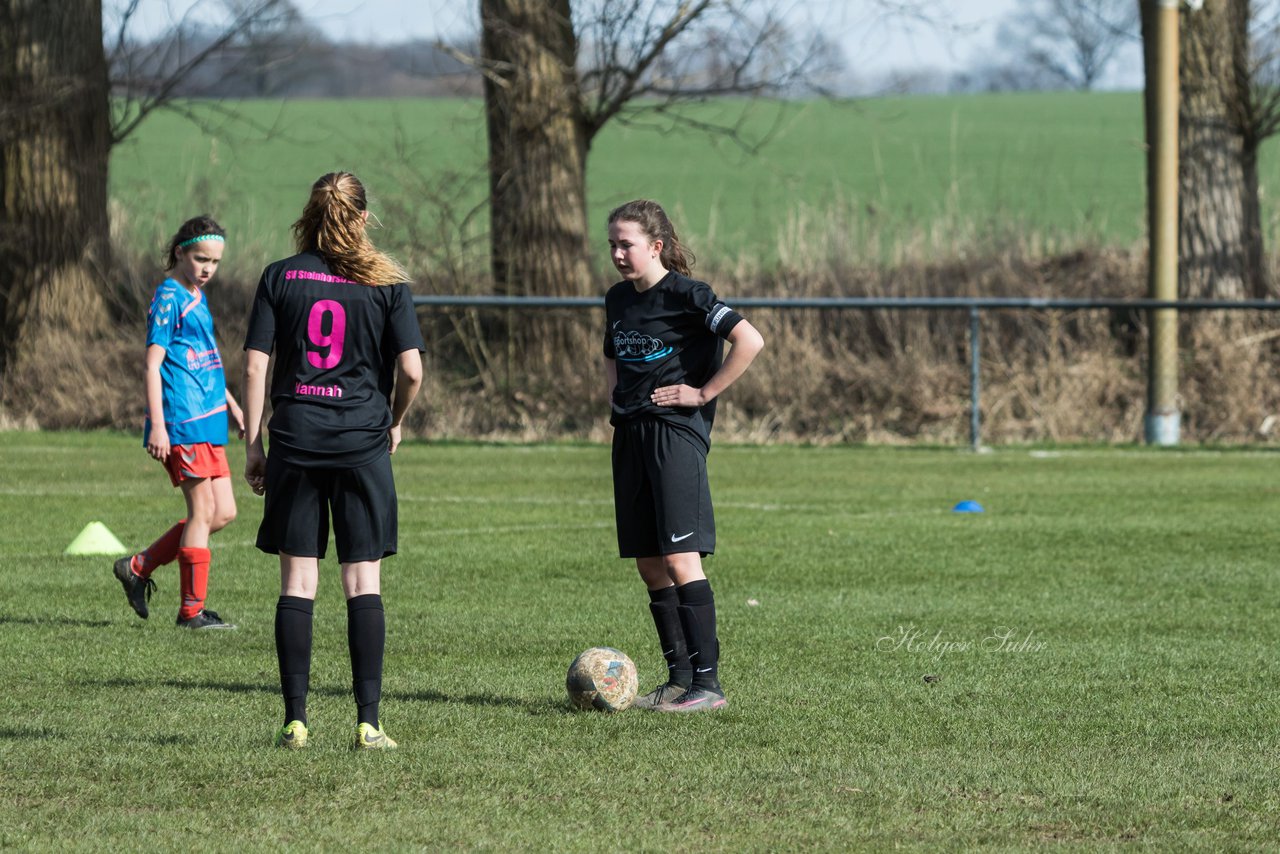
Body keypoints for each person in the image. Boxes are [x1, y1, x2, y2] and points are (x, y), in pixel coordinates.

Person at [243, 172, 424, 751]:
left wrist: (254, 443)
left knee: (298, 583)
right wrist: (395, 420)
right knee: (361, 582)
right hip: (361, 441)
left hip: (295, 438)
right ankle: (368, 723)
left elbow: (254, 367)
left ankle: (295, 721)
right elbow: (414, 369)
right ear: (364, 217)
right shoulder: (387, 280)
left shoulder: (280, 275)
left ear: (310, 213)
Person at [603, 199, 764, 713]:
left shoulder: (689, 295)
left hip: (675, 436)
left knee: (679, 558)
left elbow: (750, 340)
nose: (618, 254)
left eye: (626, 244)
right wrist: (615, 396)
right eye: (612, 245)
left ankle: (708, 687)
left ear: (656, 246)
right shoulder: (616, 299)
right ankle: (677, 681)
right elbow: (610, 352)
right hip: (629, 435)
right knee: (650, 565)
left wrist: (701, 392)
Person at [113, 215, 244, 630]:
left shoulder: (196, 295)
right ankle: (191, 612)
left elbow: (203, 359)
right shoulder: (168, 297)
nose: (208, 269)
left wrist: (234, 404)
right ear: (179, 253)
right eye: (201, 259)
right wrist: (157, 425)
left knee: (222, 512)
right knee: (202, 510)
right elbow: (153, 365)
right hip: (181, 420)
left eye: (216, 262)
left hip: (209, 418)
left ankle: (138, 566)